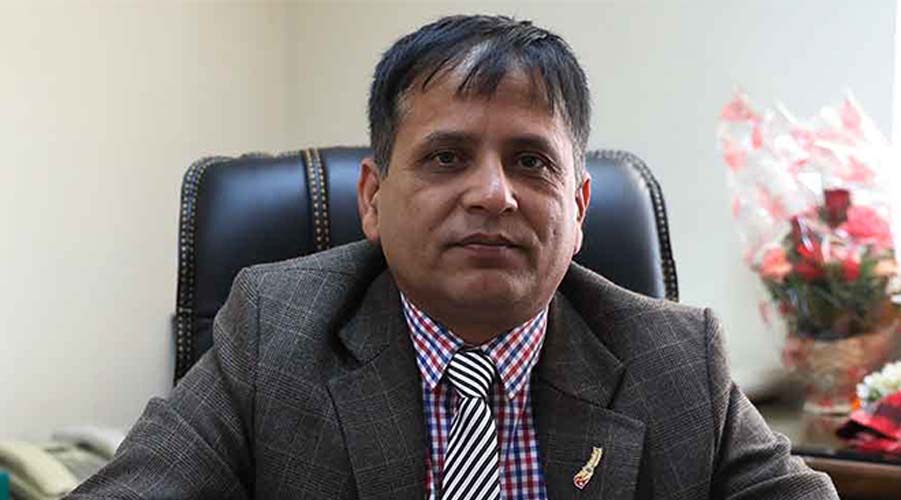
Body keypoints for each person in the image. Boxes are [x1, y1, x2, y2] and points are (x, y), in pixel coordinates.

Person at [71, 15, 837, 500]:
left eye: (531, 162)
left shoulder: (675, 358)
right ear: (373, 199)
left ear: (577, 209)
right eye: (446, 157)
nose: (493, 194)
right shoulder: (275, 331)